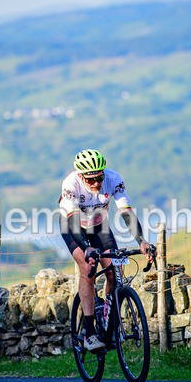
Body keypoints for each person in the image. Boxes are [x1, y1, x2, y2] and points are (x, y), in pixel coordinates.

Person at [59, 149, 153, 350]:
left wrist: (142, 242)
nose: (96, 183)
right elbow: (74, 224)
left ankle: (108, 320)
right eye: (90, 180)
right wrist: (87, 248)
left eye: (99, 177)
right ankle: (89, 332)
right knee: (88, 268)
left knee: (114, 272)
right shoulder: (70, 184)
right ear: (81, 176)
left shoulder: (113, 179)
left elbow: (126, 213)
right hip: (73, 227)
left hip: (99, 226)